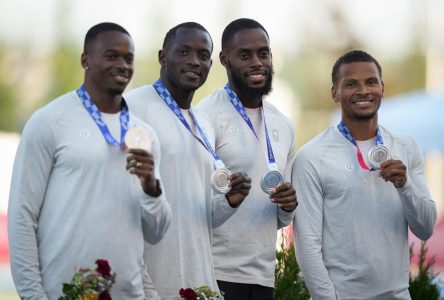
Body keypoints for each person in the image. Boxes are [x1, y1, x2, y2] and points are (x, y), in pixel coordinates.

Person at [8, 22, 171, 300]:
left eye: (128, 58)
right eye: (111, 56)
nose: (122, 65)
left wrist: (150, 187)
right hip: (64, 291)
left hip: (128, 293)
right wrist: (32, 294)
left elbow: (156, 233)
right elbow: (22, 216)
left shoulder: (145, 135)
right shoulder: (50, 121)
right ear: (86, 60)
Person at [293, 50, 437, 300]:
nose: (363, 90)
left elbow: (425, 228)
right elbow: (307, 246)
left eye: (371, 82)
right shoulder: (312, 156)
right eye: (351, 84)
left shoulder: (406, 147)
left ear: (382, 87)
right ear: (335, 93)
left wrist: (405, 186)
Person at [125, 22, 251, 299]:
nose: (194, 61)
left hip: (199, 278)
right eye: (183, 52)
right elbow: (122, 205)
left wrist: (230, 200)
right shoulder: (134, 107)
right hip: (150, 280)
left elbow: (199, 215)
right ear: (162, 57)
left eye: (203, 55)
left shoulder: (203, 121)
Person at [197, 18, 297, 300]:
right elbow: (192, 207)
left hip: (264, 275)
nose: (257, 62)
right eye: (245, 55)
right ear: (224, 60)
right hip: (215, 273)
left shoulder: (283, 125)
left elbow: (278, 218)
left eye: (263, 53)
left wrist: (288, 207)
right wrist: (229, 198)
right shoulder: (205, 117)